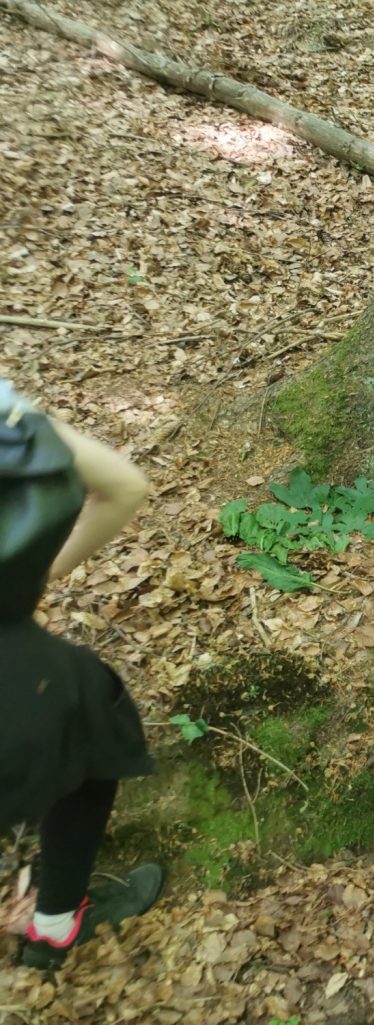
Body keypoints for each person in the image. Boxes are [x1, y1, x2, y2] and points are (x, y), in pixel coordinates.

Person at [1, 381, 163, 970]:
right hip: (16, 684)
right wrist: (37, 579)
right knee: (94, 720)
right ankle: (55, 925)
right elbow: (124, 486)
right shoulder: (8, 418)